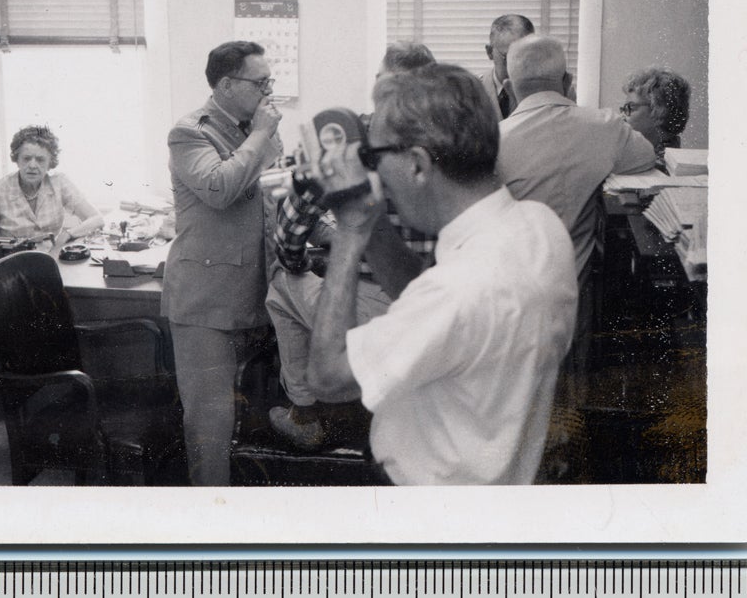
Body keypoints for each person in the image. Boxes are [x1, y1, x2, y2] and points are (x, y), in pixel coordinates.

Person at [306, 64, 577, 485]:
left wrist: (350, 229)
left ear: (416, 164)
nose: (374, 172)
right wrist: (374, 220)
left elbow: (327, 377)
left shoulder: (457, 291)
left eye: (375, 157)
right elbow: (423, 301)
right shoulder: (540, 226)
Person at [265, 42, 436, 449]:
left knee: (280, 282)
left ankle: (304, 410)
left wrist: (299, 259)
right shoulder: (448, 144)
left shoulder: (346, 142)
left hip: (374, 310)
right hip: (428, 305)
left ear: (378, 84)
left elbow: (288, 237)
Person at [496, 36, 656, 410]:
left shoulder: (492, 142)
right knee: (567, 405)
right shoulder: (604, 127)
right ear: (567, 81)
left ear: (508, 87)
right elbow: (646, 157)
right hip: (572, 299)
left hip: (506, 303)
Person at [161, 40, 284, 486]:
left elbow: (274, 198)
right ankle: (210, 532)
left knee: (252, 418)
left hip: (256, 292)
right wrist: (260, 136)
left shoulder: (256, 126)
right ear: (228, 85)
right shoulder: (190, 131)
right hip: (206, 301)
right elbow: (219, 188)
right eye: (261, 82)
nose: (269, 90)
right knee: (210, 427)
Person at [0, 124, 104, 249]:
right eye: (26, 158)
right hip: (11, 264)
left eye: (40, 159)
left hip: (51, 259)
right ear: (17, 160)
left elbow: (97, 219)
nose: (32, 165)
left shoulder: (59, 183)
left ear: (50, 162)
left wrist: (67, 234)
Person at [620, 67, 691, 167]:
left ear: (660, 110)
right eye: (623, 109)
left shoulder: (668, 165)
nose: (621, 116)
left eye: (631, 107)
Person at [481, 14, 535, 118]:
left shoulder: (545, 94)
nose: (519, 65)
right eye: (509, 57)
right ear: (490, 52)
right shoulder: (470, 93)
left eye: (526, 56)